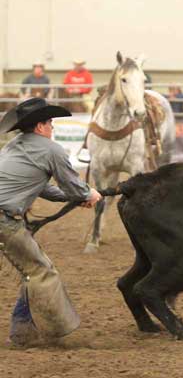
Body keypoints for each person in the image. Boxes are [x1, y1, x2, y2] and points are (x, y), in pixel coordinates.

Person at [0, 97, 103, 347]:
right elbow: (73, 185)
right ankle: (55, 330)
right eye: (50, 123)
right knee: (40, 272)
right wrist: (88, 194)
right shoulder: (52, 150)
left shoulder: (13, 146)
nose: (53, 128)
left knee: (31, 271)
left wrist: (76, 196)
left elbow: (44, 188)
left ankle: (22, 329)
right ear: (40, 127)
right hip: (5, 221)